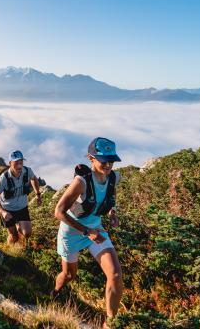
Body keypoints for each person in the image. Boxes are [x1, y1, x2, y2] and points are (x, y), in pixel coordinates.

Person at [52, 137, 123, 328]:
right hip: (72, 232)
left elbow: (110, 198)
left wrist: (112, 214)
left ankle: (109, 323)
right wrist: (85, 231)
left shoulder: (114, 177)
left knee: (115, 275)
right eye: (103, 160)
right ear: (91, 158)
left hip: (96, 229)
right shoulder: (81, 182)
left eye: (111, 160)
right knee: (69, 276)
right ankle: (54, 294)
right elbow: (58, 212)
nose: (108, 164)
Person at [0, 150, 42, 245]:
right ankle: (10, 250)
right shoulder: (4, 178)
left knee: (27, 233)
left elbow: (34, 179)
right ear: (10, 163)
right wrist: (3, 212)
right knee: (13, 236)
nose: (19, 165)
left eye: (21, 162)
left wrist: (38, 194)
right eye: (16, 163)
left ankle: (21, 239)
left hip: (22, 208)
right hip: (8, 209)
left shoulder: (27, 171)